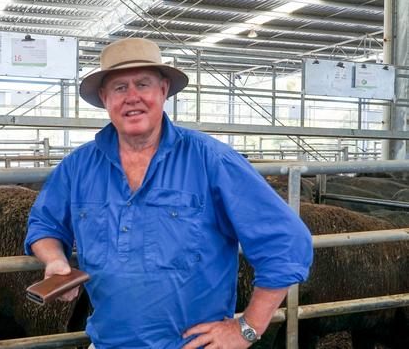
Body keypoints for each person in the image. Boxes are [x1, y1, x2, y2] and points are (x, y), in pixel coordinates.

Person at [24, 37, 313, 348]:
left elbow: (287, 240)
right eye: (120, 87)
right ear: (104, 97)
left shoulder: (211, 160)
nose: (132, 97)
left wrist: (248, 326)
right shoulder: (78, 166)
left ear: (163, 91)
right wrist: (54, 259)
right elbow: (45, 225)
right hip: (107, 342)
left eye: (143, 85)